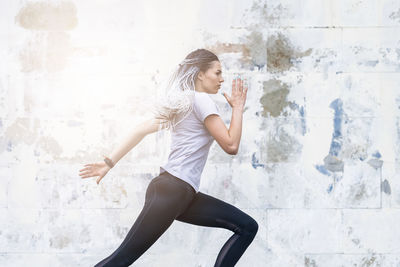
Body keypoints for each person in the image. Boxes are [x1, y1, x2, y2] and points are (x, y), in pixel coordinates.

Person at [79, 48, 258, 267]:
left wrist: (108, 163)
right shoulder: (201, 100)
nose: (222, 79)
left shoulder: (184, 103)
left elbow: (139, 130)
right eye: (217, 73)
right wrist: (238, 108)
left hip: (182, 193)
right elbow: (231, 145)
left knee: (247, 226)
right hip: (173, 190)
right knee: (121, 259)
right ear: (200, 74)